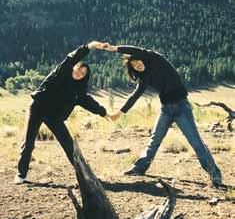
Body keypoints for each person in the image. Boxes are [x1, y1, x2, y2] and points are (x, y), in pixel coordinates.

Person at [103, 43, 222, 187]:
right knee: (154, 141)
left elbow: (138, 50)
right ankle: (139, 168)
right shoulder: (144, 77)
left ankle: (215, 175)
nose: (137, 65)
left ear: (142, 58)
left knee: (195, 142)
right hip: (166, 109)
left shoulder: (155, 59)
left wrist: (115, 49)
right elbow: (135, 95)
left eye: (137, 61)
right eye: (133, 65)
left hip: (181, 108)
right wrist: (119, 113)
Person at [14, 41, 110, 184]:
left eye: (83, 73)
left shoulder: (78, 91)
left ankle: (86, 175)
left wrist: (104, 113)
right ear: (73, 68)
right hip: (38, 107)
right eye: (78, 69)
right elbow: (72, 57)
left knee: (69, 145)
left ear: (85, 76)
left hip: (54, 116)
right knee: (28, 142)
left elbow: (88, 102)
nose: (79, 74)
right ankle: (20, 175)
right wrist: (91, 46)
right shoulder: (61, 72)